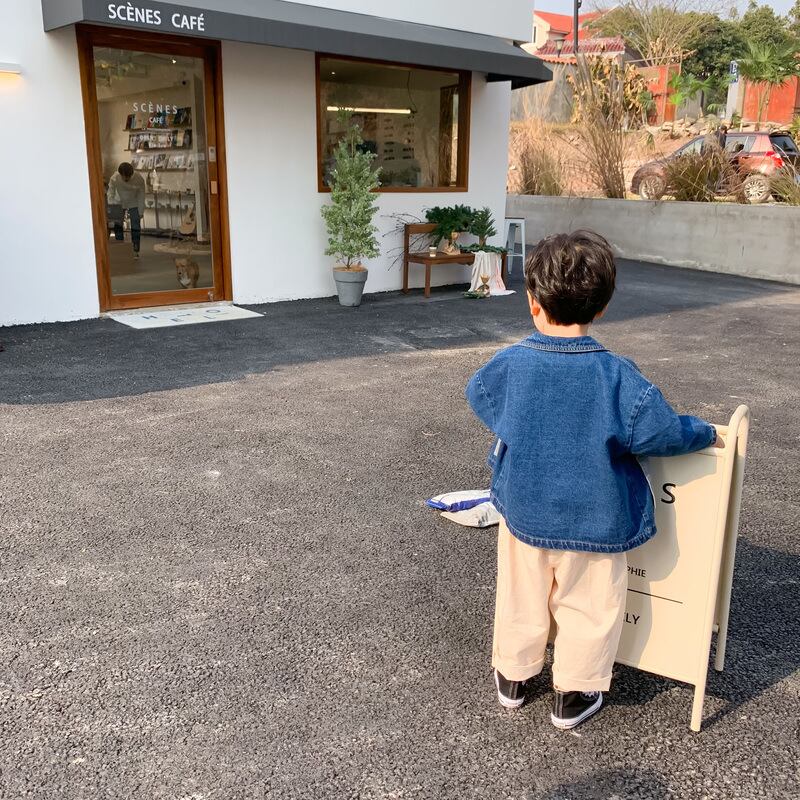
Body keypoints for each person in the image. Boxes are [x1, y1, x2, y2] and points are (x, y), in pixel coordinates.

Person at [465, 231, 720, 730]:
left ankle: (513, 676)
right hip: (596, 520)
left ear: (533, 302)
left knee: (520, 596)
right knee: (589, 607)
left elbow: (481, 396)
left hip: (524, 511)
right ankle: (574, 693)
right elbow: (664, 432)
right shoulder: (618, 377)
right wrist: (705, 431)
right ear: (602, 308)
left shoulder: (512, 364)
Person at [107, 162, 146, 259]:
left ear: (132, 174)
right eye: (123, 177)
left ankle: (135, 250)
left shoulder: (139, 178)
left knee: (136, 225)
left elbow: (141, 195)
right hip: (119, 201)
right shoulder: (115, 178)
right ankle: (120, 248)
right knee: (118, 225)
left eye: (128, 177)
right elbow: (110, 193)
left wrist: (141, 211)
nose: (126, 179)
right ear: (120, 174)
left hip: (134, 202)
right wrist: (112, 207)